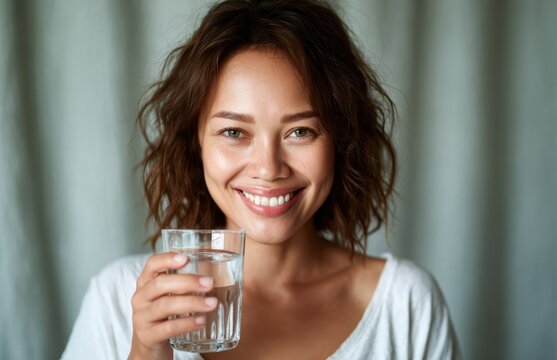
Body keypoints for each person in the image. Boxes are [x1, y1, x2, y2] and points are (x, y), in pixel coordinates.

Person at [62, 0, 460, 359]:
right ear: (195, 142)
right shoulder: (117, 300)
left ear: (340, 141)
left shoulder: (406, 304)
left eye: (301, 131)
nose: (268, 168)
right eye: (234, 132)